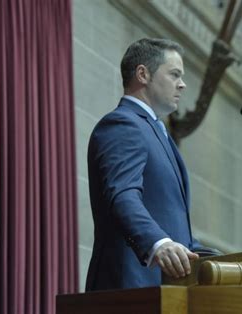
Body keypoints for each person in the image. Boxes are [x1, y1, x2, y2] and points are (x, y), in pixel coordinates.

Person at [85, 38, 201, 291]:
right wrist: (157, 243)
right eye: (174, 74)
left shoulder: (157, 131)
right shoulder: (123, 124)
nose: (183, 84)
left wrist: (207, 255)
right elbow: (122, 194)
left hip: (166, 288)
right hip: (131, 285)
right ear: (143, 74)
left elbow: (169, 219)